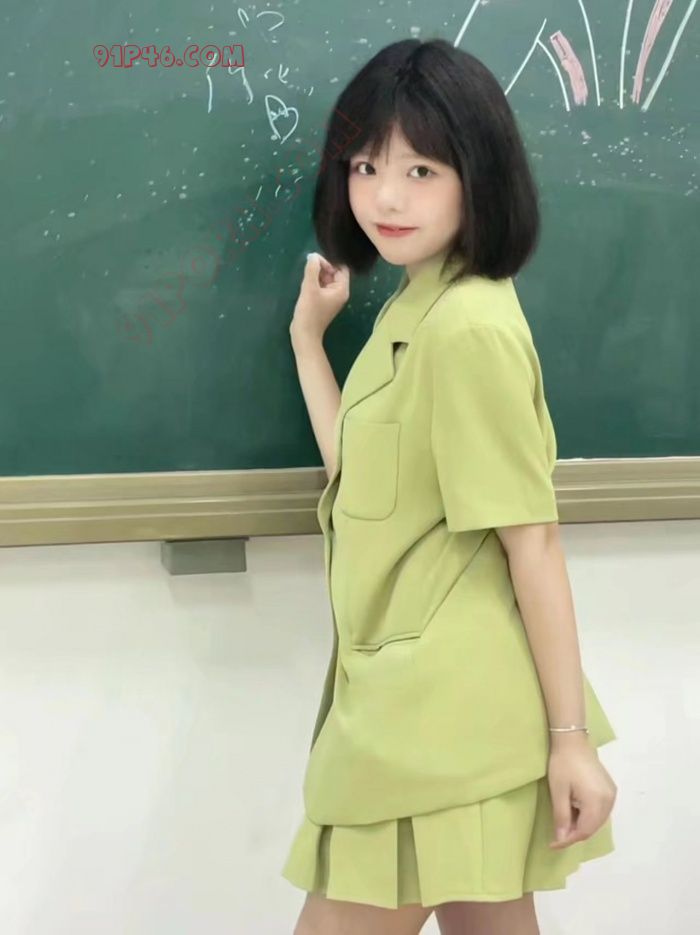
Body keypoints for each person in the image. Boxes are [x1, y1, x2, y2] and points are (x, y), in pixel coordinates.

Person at [284, 38, 618, 935]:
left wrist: (570, 740)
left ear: (480, 176)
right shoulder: (418, 300)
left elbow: (532, 539)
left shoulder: (467, 327)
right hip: (419, 708)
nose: (385, 198)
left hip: (436, 724)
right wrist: (310, 342)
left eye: (421, 170)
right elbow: (362, 475)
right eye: (366, 166)